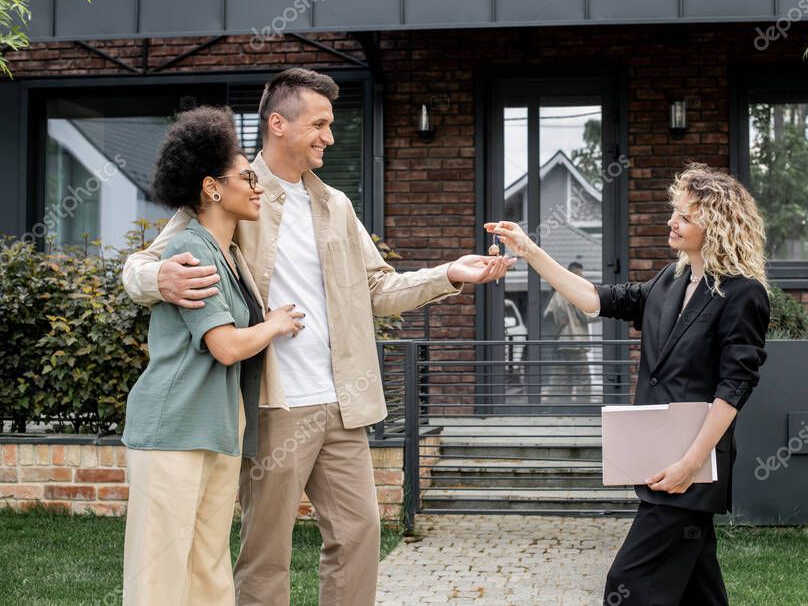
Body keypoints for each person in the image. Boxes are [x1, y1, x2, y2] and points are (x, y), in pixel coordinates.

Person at [122, 68, 514, 606]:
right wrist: (157, 279)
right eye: (320, 123)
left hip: (341, 402)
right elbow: (144, 264)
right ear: (278, 123)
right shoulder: (233, 189)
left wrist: (448, 274)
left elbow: (377, 288)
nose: (330, 136)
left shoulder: (336, 205)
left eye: (332, 124)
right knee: (265, 554)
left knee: (359, 536)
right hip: (272, 404)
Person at [487, 163, 770, 605]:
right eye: (675, 212)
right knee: (700, 589)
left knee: (628, 584)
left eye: (686, 216)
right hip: (661, 464)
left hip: (689, 470)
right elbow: (594, 299)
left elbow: (733, 388)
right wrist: (530, 251)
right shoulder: (669, 280)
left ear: (715, 227)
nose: (672, 222)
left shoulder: (743, 294)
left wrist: (690, 465)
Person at [121, 106, 304, 605]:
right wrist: (275, 325)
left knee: (208, 574)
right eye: (247, 175)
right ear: (212, 188)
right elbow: (224, 346)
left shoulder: (232, 255)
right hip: (172, 430)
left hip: (218, 431)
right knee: (157, 579)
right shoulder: (191, 248)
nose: (257, 185)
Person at [543, 261, 594, 402]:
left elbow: (547, 315)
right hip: (576, 342)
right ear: (573, 273)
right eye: (579, 274)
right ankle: (583, 406)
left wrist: (559, 322)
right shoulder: (575, 292)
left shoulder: (558, 293)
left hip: (563, 342)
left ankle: (563, 404)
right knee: (583, 377)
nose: (581, 277)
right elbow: (585, 315)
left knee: (565, 375)